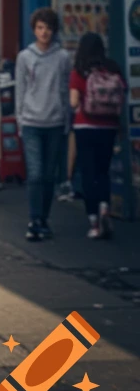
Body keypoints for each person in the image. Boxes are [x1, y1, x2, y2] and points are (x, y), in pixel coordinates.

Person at [15, 8, 71, 241]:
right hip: (31, 122)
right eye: (40, 28)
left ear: (53, 30)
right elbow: (21, 89)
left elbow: (66, 91)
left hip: (56, 122)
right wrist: (20, 120)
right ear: (34, 30)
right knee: (36, 174)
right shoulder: (25, 57)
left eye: (48, 28)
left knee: (49, 176)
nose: (44, 32)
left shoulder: (63, 58)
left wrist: (67, 121)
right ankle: (34, 219)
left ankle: (43, 220)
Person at [69, 32, 125, 239]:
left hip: (85, 127)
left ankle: (93, 223)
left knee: (88, 175)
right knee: (103, 171)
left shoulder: (79, 70)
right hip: (108, 127)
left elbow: (73, 102)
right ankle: (104, 206)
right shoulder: (112, 68)